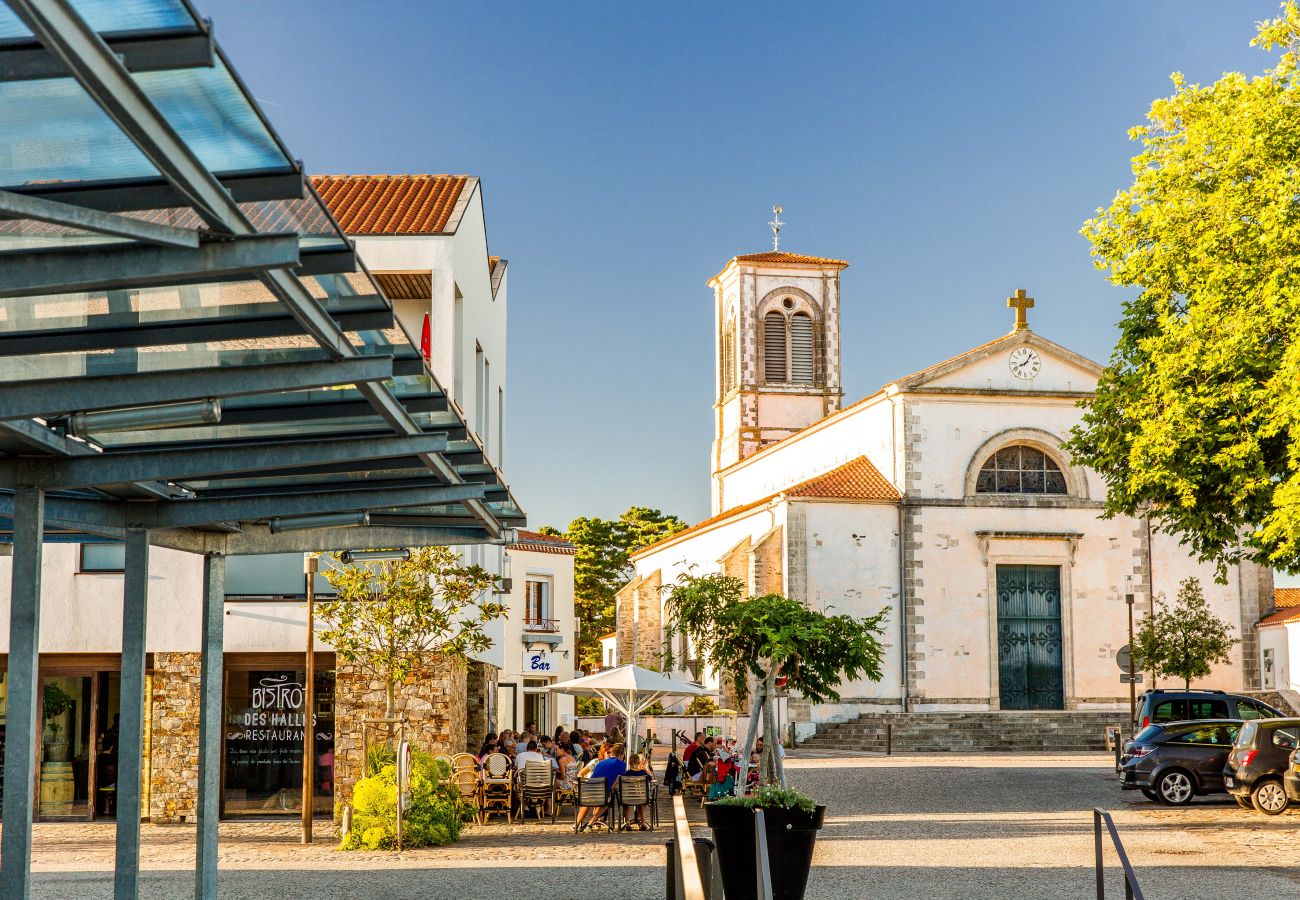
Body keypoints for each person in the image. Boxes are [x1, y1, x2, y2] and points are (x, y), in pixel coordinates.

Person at [576, 743, 626, 832]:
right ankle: (591, 822)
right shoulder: (622, 764)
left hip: (589, 789)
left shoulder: (601, 762)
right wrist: (612, 788)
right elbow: (619, 779)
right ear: (621, 755)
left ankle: (576, 824)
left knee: (588, 802)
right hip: (602, 793)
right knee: (606, 802)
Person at [621, 752, 654, 831]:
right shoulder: (643, 773)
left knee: (626, 806)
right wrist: (645, 768)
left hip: (628, 797)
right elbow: (651, 778)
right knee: (641, 805)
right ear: (639, 762)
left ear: (629, 763)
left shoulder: (627, 773)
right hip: (641, 797)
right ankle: (643, 822)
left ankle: (627, 823)